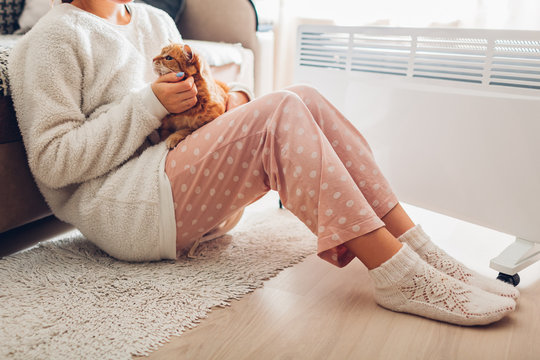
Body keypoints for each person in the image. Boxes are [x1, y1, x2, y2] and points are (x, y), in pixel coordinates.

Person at [8, 0, 519, 327]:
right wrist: (151, 104)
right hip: (127, 208)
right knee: (279, 112)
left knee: (301, 97)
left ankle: (420, 249)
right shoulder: (51, 41)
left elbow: (198, 105)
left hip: (173, 174)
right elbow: (52, 163)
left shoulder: (154, 20)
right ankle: (396, 273)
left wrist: (225, 102)